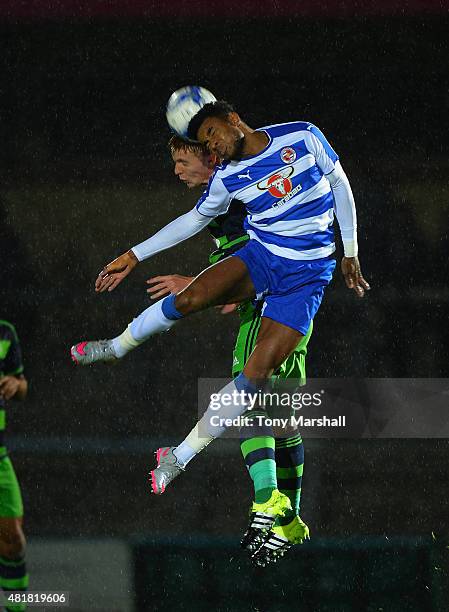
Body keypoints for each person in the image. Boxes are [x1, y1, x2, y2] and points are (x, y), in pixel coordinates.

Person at [71, 100, 369, 554]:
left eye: (208, 137)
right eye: (202, 143)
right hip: (263, 261)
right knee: (273, 407)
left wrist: (349, 250)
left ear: (232, 121)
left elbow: (340, 182)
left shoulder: (301, 136)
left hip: (304, 281)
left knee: (258, 392)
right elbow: (193, 220)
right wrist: (134, 254)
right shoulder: (228, 180)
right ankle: (117, 347)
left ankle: (256, 497)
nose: (209, 146)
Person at [146, 136, 311, 563]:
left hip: (271, 311)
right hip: (296, 309)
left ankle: (268, 498)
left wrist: (201, 285)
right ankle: (291, 520)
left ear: (211, 158)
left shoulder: (234, 193)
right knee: (282, 417)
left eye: (183, 161)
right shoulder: (235, 189)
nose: (177, 170)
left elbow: (251, 251)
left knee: (248, 401)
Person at [0, 320, 29, 611]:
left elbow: (21, 386)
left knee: (13, 543)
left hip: (0, 456)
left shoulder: (5, 332)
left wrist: (14, 384)